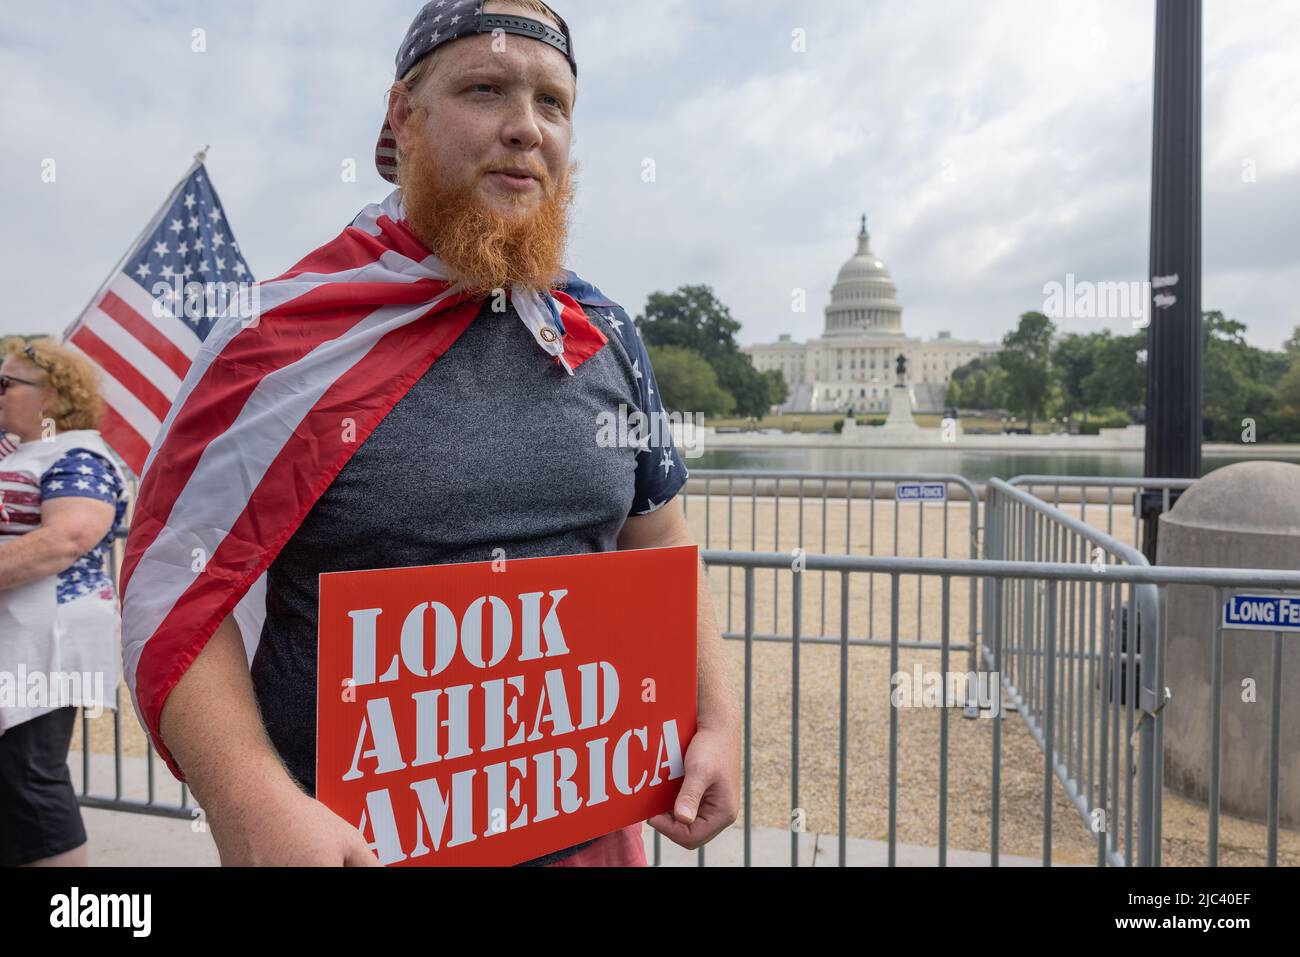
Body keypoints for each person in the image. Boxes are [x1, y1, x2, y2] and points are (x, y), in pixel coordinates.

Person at [120, 0, 741, 866]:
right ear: (403, 118)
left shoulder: (602, 331)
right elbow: (173, 585)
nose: (525, 128)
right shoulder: (279, 336)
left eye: (553, 103)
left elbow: (659, 537)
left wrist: (716, 717)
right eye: (486, 90)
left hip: (588, 838)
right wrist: (249, 794)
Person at [0, 338, 128, 867]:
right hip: (17, 634)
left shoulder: (79, 455)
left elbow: (67, 538)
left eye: (7, 384)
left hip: (48, 640)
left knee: (28, 774)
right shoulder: (18, 450)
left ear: (49, 396)